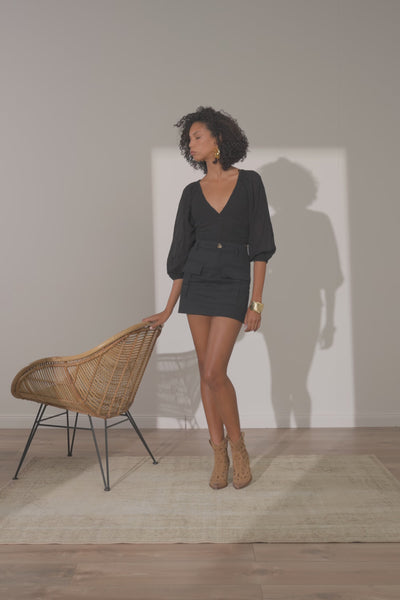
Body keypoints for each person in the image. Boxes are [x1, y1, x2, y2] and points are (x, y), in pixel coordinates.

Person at [142, 106, 276, 489]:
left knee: (216, 372)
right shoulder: (191, 193)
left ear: (218, 138)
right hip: (197, 284)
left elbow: (261, 247)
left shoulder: (249, 183)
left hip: (233, 282)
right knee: (206, 371)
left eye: (197, 136)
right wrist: (167, 308)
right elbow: (181, 256)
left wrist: (256, 303)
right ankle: (218, 452)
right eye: (188, 139)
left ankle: (238, 447)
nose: (191, 143)